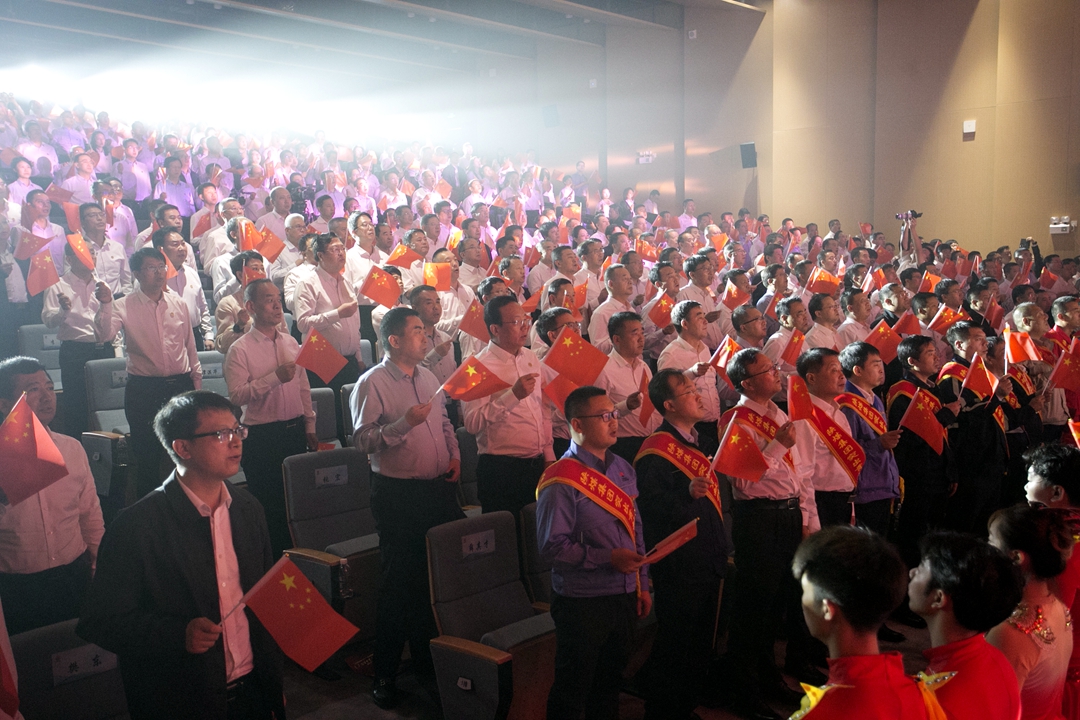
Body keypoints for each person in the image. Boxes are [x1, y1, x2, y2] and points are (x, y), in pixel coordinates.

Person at [77, 391, 285, 720]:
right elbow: (100, 622)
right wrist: (177, 634)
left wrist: (274, 684)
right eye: (221, 434)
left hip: (252, 690)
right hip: (182, 699)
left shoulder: (248, 509)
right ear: (183, 448)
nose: (235, 442)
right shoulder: (137, 526)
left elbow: (261, 601)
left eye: (237, 430)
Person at [351, 307, 464, 709]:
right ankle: (384, 672)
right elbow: (363, 440)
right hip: (398, 495)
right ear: (394, 340)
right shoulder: (372, 382)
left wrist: (454, 454)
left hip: (438, 489)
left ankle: (426, 662)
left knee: (434, 579)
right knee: (398, 583)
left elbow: (445, 422)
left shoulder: (429, 377)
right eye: (417, 330)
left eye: (424, 330)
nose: (425, 336)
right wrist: (403, 424)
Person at [536, 385, 651, 720]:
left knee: (609, 686)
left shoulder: (622, 468)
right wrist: (607, 559)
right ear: (577, 424)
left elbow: (636, 529)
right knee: (573, 691)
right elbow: (551, 547)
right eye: (604, 416)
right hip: (582, 600)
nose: (614, 421)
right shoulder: (561, 478)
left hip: (624, 593)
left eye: (614, 414)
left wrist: (643, 584)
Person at [721, 348, 819, 719]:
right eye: (766, 370)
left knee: (777, 603)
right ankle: (743, 690)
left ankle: (768, 677)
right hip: (759, 518)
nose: (776, 373)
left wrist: (806, 518)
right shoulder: (735, 420)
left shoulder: (778, 413)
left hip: (789, 515)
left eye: (774, 366)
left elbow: (801, 473)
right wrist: (777, 445)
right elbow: (745, 483)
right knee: (754, 607)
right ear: (747, 383)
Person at [634, 369, 730, 720]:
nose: (698, 395)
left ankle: (685, 707)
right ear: (669, 404)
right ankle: (662, 711)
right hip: (680, 564)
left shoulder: (697, 442)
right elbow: (647, 509)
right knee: (676, 642)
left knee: (699, 642)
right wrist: (685, 494)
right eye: (689, 391)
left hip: (707, 557)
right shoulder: (656, 450)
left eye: (695, 388)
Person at [790, 526, 943, 720]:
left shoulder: (822, 713)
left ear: (827, 609)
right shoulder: (921, 694)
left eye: (805, 592)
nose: (802, 602)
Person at [0, 356, 104, 635]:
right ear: (4, 404)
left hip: (74, 573)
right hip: (16, 584)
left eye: (49, 387)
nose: (47, 397)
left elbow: (89, 513)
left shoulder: (72, 448)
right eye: (33, 390)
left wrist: (99, 563)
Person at [95, 247, 202, 498]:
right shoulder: (123, 305)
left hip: (180, 385)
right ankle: (150, 508)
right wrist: (105, 304)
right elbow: (103, 335)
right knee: (147, 456)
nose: (159, 272)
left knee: (187, 451)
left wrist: (196, 384)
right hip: (144, 389)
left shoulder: (178, 302)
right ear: (136, 273)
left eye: (161, 267)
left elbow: (190, 346)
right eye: (151, 268)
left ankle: (187, 503)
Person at [224, 278, 316, 558]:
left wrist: (310, 424)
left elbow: (303, 387)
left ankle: (302, 562)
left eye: (278, 299)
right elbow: (237, 396)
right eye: (269, 300)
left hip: (294, 431)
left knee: (298, 504)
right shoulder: (240, 349)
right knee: (269, 507)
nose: (277, 305)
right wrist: (274, 378)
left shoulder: (291, 342)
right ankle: (272, 565)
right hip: (262, 437)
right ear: (251, 307)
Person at [909, 531, 1023, 720]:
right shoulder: (996, 659)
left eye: (921, 569)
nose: (912, 572)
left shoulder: (937, 700)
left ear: (938, 598)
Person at [462, 295, 554, 522]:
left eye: (526, 320)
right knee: (507, 534)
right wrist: (513, 396)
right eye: (516, 322)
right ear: (495, 329)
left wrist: (548, 454)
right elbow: (472, 423)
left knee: (539, 530)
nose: (525, 327)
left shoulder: (530, 357)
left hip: (536, 463)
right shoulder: (476, 367)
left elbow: (542, 408)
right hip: (501, 470)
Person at [987, 504, 1075, 720]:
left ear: (1016, 557)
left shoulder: (1011, 633)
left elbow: (995, 712)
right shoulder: (1059, 608)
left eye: (991, 542)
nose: (985, 551)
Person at [886, 336, 959, 572]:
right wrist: (946, 416)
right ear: (912, 361)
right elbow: (910, 437)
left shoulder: (931, 388)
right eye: (929, 353)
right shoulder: (902, 392)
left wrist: (950, 471)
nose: (937, 357)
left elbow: (941, 437)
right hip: (918, 474)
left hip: (938, 471)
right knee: (913, 534)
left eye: (936, 352)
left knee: (935, 531)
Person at [938, 321, 1011, 532]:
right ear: (959, 344)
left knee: (987, 519)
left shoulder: (980, 370)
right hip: (971, 458)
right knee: (967, 519)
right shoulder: (953, 373)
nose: (985, 344)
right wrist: (997, 397)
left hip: (990, 454)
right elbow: (961, 417)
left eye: (984, 339)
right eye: (978, 339)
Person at [293, 233, 365, 441]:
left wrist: (359, 356)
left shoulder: (346, 282)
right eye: (335, 249)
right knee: (332, 417)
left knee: (352, 414)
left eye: (342, 248)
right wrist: (337, 314)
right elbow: (302, 323)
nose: (341, 253)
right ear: (320, 255)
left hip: (350, 360)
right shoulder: (308, 283)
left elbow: (355, 325)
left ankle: (354, 452)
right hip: (323, 359)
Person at [41, 240, 114, 437]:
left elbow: (111, 320)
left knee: (105, 404)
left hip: (104, 349)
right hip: (75, 351)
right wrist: (63, 311)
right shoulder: (58, 284)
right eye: (83, 253)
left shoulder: (102, 284)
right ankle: (77, 448)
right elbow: (48, 320)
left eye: (93, 252)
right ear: (69, 259)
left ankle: (106, 448)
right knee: (76, 406)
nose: (91, 256)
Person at [837, 342, 902, 535]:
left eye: (881, 363)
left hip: (883, 483)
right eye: (875, 364)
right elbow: (845, 450)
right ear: (857, 370)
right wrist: (879, 444)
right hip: (865, 489)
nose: (881, 370)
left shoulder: (875, 399)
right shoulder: (846, 404)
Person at [794, 348, 859, 529]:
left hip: (843, 501)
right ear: (811, 378)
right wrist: (810, 521)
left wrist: (851, 510)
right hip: (821, 502)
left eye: (841, 369)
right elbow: (803, 475)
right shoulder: (804, 418)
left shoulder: (839, 414)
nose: (841, 375)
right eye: (833, 370)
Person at [657, 301, 721, 456]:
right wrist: (691, 373)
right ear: (684, 324)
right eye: (699, 317)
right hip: (691, 427)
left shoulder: (704, 348)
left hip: (714, 422)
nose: (705, 321)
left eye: (704, 316)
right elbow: (664, 391)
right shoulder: (671, 354)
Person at [589, 263, 636, 354]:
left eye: (630, 279)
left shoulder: (631, 310)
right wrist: (622, 338)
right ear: (611, 284)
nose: (630, 282)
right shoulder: (601, 313)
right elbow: (597, 348)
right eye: (625, 279)